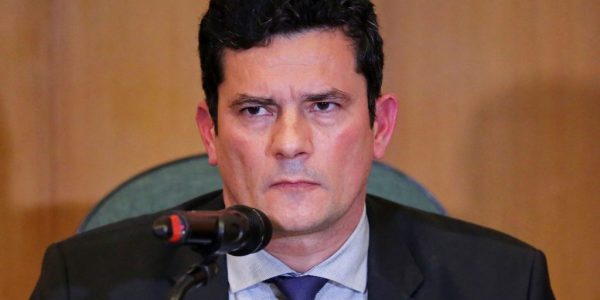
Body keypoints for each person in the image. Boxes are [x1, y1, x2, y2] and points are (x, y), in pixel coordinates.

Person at [31, 0, 554, 299]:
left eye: (324, 106)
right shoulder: (89, 285)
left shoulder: (503, 284)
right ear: (210, 131)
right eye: (255, 109)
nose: (290, 144)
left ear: (381, 124)